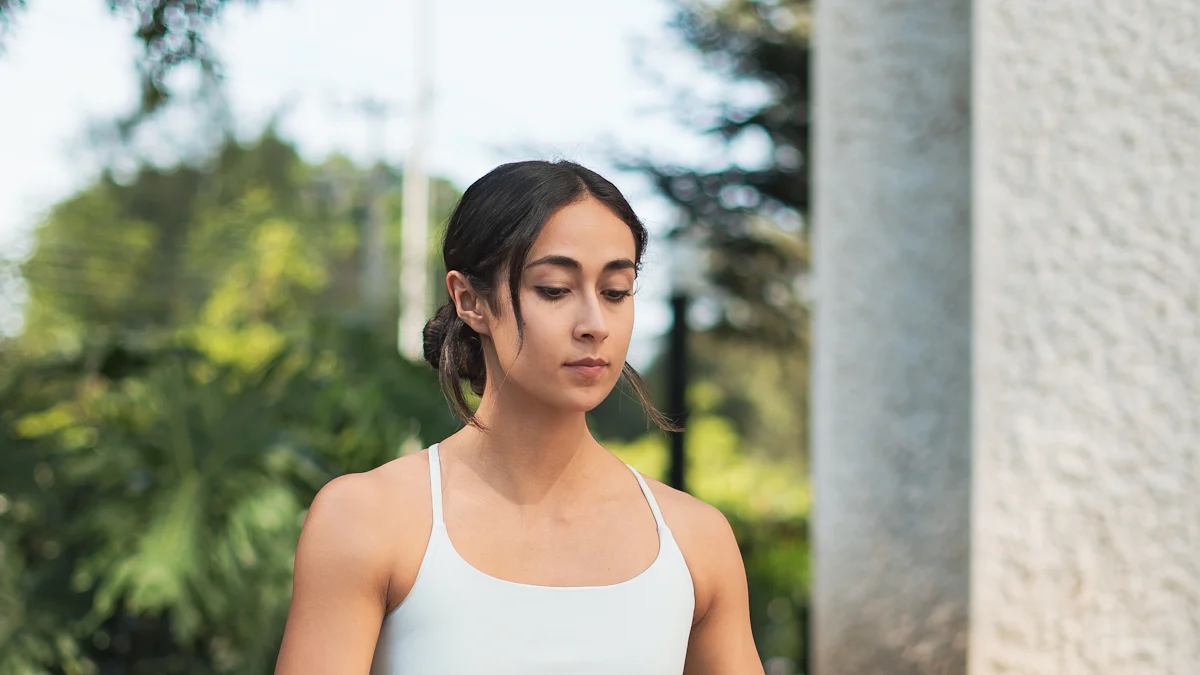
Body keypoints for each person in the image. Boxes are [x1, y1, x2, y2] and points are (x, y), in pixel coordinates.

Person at [274, 160, 764, 674]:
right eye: (554, 289)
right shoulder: (369, 519)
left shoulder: (695, 541)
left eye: (615, 291)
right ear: (469, 300)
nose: (595, 324)